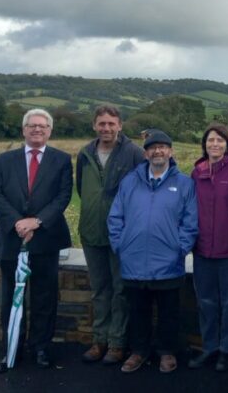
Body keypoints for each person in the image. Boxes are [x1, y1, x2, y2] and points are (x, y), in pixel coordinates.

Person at [0, 108, 73, 373]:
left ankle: (41, 348)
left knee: (45, 298)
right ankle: (11, 349)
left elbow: (63, 197)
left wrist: (36, 221)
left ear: (50, 131)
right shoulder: (3, 160)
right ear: (23, 130)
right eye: (32, 125)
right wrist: (17, 223)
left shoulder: (61, 160)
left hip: (46, 239)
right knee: (12, 298)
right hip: (11, 240)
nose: (38, 129)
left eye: (43, 126)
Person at [107, 130, 198, 374]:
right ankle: (139, 351)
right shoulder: (130, 181)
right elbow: (115, 216)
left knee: (169, 312)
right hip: (133, 260)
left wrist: (180, 249)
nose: (158, 151)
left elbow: (190, 223)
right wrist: (120, 246)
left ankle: (167, 352)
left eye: (163, 147)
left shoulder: (185, 184)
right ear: (145, 153)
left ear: (171, 151)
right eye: (152, 147)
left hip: (169, 262)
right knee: (138, 311)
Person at [76, 105, 143, 365]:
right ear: (94, 125)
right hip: (91, 232)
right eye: (101, 123)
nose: (106, 128)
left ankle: (117, 343)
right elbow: (82, 189)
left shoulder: (134, 153)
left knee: (120, 290)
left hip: (122, 235)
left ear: (120, 126)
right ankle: (99, 340)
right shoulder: (84, 154)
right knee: (99, 290)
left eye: (111, 124)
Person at [187, 124, 228, 372]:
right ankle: (210, 348)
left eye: (220, 141)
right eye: (211, 140)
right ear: (205, 144)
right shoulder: (196, 172)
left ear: (227, 145)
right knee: (206, 302)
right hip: (202, 250)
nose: (215, 144)